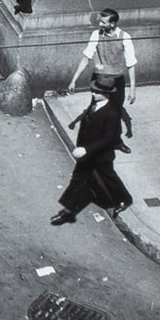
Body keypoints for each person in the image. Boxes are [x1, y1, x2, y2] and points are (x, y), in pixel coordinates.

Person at [50, 75, 133, 225]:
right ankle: (68, 212)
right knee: (77, 179)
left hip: (101, 155)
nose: (93, 93)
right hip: (87, 152)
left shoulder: (112, 113)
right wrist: (80, 145)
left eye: (96, 92)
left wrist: (86, 150)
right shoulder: (94, 105)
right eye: (93, 90)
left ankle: (125, 199)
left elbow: (108, 139)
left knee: (109, 177)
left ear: (106, 94)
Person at [68, 9, 136, 143]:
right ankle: (94, 139)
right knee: (96, 109)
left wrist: (133, 90)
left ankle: (116, 141)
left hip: (116, 80)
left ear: (112, 24)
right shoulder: (96, 35)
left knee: (115, 111)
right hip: (99, 80)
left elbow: (131, 64)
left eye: (103, 22)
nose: (100, 24)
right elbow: (86, 58)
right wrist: (73, 80)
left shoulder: (125, 37)